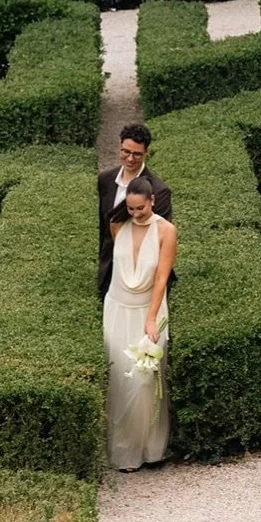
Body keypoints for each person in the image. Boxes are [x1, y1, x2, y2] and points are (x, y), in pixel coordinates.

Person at [103, 172, 177, 469]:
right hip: (117, 309)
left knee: (144, 382)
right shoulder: (117, 224)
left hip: (149, 310)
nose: (135, 214)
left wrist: (151, 319)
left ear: (152, 201)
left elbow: (161, 278)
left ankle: (150, 448)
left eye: (141, 208)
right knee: (119, 380)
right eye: (131, 208)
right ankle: (124, 452)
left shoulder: (166, 231)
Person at [98, 123, 172, 298]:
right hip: (112, 267)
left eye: (137, 154)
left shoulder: (159, 190)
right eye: (126, 151)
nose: (130, 159)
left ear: (146, 153)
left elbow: (160, 238)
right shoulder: (105, 179)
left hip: (144, 272)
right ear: (120, 146)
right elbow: (103, 226)